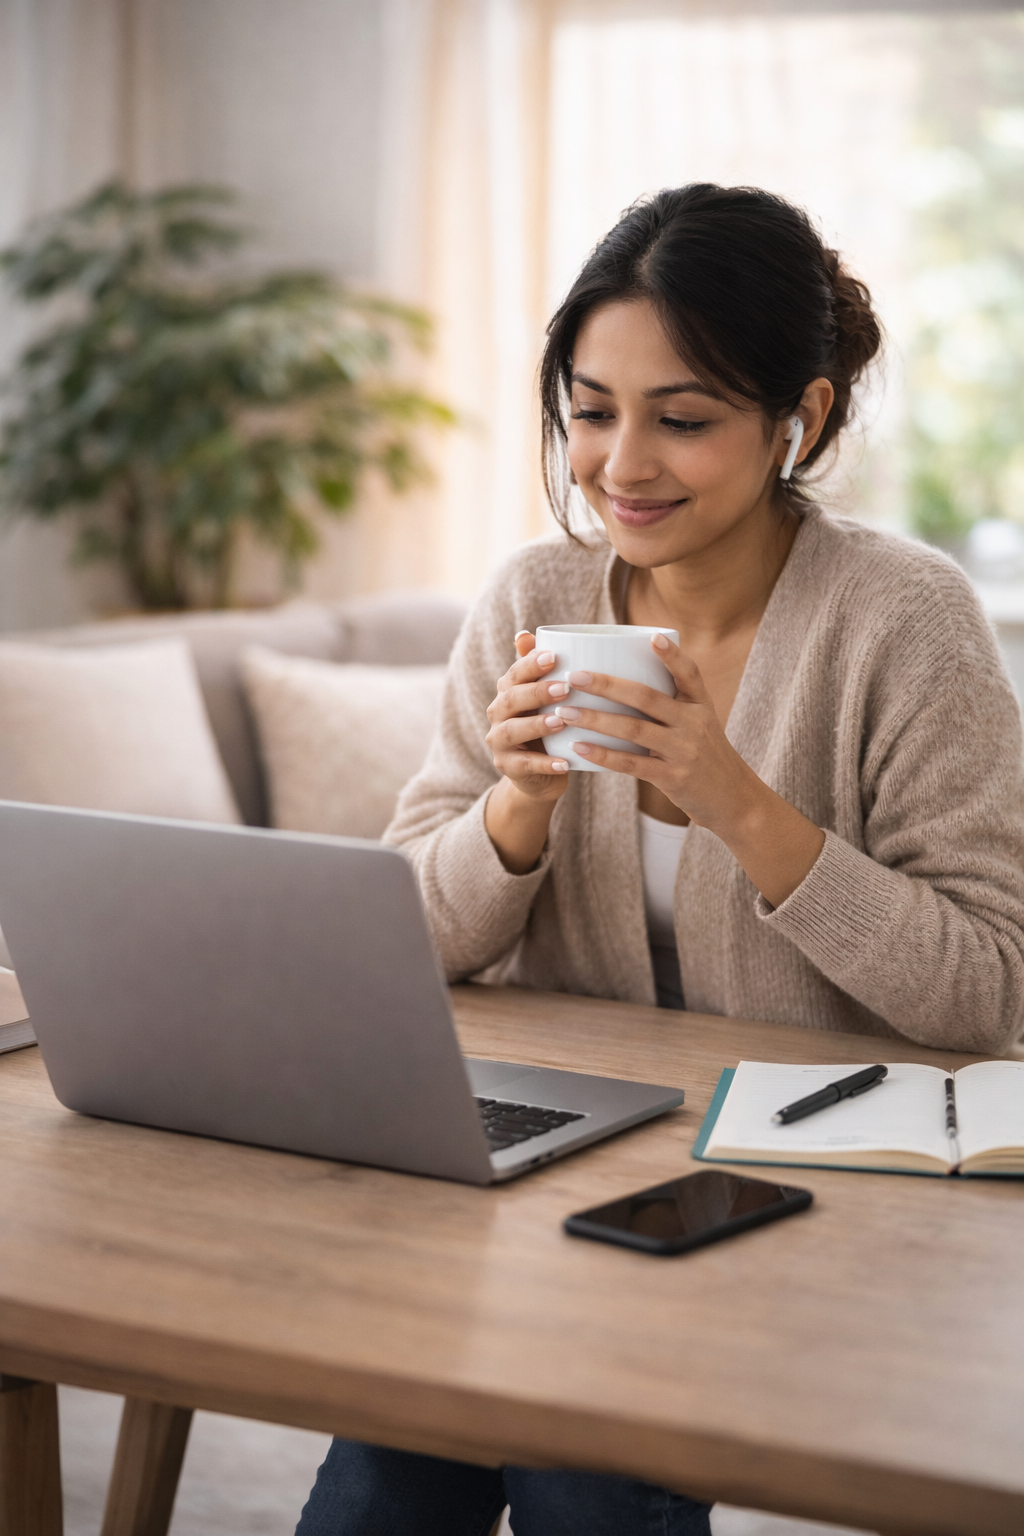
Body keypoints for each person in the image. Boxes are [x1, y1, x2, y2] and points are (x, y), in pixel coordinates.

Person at [295, 184, 1024, 1535]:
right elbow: (404, 943)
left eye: (681, 419)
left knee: (580, 1451)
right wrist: (514, 810)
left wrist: (736, 799)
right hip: (566, 1156)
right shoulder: (534, 599)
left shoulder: (904, 619)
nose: (620, 464)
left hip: (811, 1180)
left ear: (798, 419)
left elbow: (989, 989)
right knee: (393, 1455)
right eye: (589, 408)